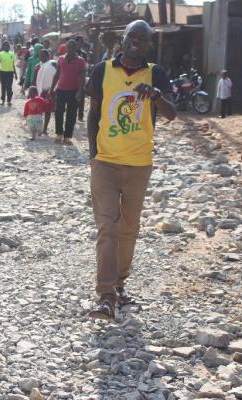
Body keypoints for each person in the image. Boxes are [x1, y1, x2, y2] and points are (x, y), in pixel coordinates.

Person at [85, 20, 176, 320]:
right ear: (122, 39)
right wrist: (93, 155)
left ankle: (120, 282)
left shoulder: (156, 74)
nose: (136, 43)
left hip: (139, 165)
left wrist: (157, 96)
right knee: (107, 227)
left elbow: (172, 114)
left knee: (128, 229)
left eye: (143, 40)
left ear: (149, 45)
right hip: (106, 163)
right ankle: (106, 294)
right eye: (132, 37)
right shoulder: (103, 70)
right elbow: (94, 114)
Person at [50, 40, 86, 145]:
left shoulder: (81, 61)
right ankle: (59, 134)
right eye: (68, 47)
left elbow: (83, 77)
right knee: (58, 111)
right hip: (61, 90)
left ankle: (67, 137)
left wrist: (80, 91)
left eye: (72, 47)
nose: (70, 49)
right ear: (67, 48)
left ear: (76, 49)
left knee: (72, 114)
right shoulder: (61, 59)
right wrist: (52, 88)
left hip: (74, 91)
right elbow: (57, 74)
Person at [35, 49, 57, 135]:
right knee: (39, 110)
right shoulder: (41, 64)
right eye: (40, 56)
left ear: (47, 56)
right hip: (41, 90)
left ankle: (45, 129)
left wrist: (53, 89)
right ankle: (39, 127)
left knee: (48, 111)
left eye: (43, 55)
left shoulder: (52, 62)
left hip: (50, 91)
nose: (41, 57)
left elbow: (58, 70)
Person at [0, 41, 17, 106]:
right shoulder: (0, 54)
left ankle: (9, 100)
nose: (7, 47)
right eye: (6, 45)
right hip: (2, 72)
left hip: (10, 73)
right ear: (3, 47)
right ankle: (3, 100)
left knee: (9, 87)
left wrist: (15, 73)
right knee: (3, 87)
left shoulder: (12, 54)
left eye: (8, 46)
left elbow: (13, 64)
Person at [75, 36, 89, 122]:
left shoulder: (84, 54)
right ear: (76, 42)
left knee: (82, 97)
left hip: (82, 77)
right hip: (73, 77)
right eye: (80, 41)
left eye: (82, 41)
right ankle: (73, 114)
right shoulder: (72, 52)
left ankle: (80, 116)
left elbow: (86, 65)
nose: (82, 43)